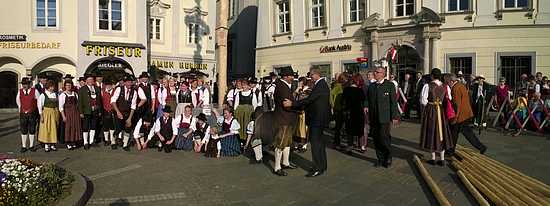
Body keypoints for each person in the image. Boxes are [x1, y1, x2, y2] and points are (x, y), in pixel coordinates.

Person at [283, 66, 331, 177]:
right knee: (319, 144)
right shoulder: (321, 85)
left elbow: (310, 100)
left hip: (317, 119)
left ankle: (317, 167)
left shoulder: (320, 85)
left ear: (315, 74)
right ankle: (322, 165)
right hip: (318, 118)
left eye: (310, 75)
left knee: (316, 144)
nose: (310, 77)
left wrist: (292, 104)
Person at [365, 67, 400, 168]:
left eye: (377, 72)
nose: (375, 73)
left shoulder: (389, 85)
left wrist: (394, 116)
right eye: (375, 72)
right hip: (374, 116)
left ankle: (388, 157)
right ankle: (380, 159)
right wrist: (366, 106)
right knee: (376, 138)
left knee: (384, 137)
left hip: (384, 117)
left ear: (383, 74)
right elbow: (367, 99)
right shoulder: (371, 86)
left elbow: (393, 102)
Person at [420, 68, 454, 166]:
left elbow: (423, 100)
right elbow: (449, 98)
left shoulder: (427, 86)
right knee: (441, 132)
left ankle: (433, 158)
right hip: (441, 111)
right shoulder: (445, 86)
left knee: (432, 132)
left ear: (432, 76)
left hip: (431, 110)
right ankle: (442, 159)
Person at [447, 74, 487, 156]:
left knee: (462, 133)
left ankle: (481, 147)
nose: (447, 84)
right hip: (465, 113)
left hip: (461, 116)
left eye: (447, 82)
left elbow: (456, 105)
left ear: (451, 81)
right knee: (456, 133)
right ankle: (451, 150)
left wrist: (455, 118)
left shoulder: (455, 88)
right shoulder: (460, 85)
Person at [272, 66, 298, 176]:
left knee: (287, 142)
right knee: (281, 143)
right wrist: (298, 107)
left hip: (287, 118)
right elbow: (286, 105)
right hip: (283, 118)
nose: (293, 77)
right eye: (291, 76)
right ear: (286, 76)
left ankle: (286, 162)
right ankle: (277, 167)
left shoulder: (284, 85)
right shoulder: (282, 87)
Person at [111, 76, 140, 151]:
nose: (129, 83)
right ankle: (113, 142)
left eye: (130, 82)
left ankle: (125, 144)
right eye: (128, 82)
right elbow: (113, 101)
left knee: (128, 128)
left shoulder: (134, 92)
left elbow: (133, 106)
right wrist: (118, 112)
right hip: (118, 111)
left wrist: (130, 118)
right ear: (124, 82)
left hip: (128, 113)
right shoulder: (119, 89)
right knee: (118, 129)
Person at [78, 74, 103, 150]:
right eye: (89, 80)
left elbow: (99, 100)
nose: (90, 81)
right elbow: (80, 102)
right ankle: (85, 142)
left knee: (93, 126)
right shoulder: (82, 89)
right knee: (85, 127)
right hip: (86, 111)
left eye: (92, 80)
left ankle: (91, 141)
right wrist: (81, 112)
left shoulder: (97, 88)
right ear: (86, 81)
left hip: (95, 110)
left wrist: (99, 110)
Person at [342, 74, 366, 153]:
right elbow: (363, 100)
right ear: (358, 81)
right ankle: (362, 146)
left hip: (349, 112)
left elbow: (342, 101)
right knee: (360, 130)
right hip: (358, 112)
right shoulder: (360, 90)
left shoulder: (346, 90)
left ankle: (350, 146)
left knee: (350, 130)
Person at [16, 77, 40, 152]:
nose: (24, 86)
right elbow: (18, 101)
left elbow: (39, 102)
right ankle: (23, 146)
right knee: (23, 129)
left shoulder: (35, 91)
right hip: (23, 113)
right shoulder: (20, 91)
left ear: (29, 84)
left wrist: (38, 111)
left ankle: (31, 146)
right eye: (23, 84)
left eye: (26, 84)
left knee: (32, 129)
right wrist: (21, 108)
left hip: (32, 113)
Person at [233, 79, 259, 143]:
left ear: (248, 86)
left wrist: (254, 114)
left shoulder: (252, 94)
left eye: (245, 85)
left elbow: (254, 105)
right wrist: (235, 113)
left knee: (247, 126)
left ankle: (247, 141)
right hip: (240, 114)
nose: (243, 86)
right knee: (240, 126)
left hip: (248, 114)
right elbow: (236, 105)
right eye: (242, 85)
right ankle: (240, 140)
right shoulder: (238, 94)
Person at [38, 80, 60, 152]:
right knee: (47, 128)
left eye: (53, 87)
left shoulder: (56, 94)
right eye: (50, 87)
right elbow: (39, 106)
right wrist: (41, 115)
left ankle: (53, 144)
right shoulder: (43, 95)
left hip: (54, 112)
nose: (52, 88)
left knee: (54, 128)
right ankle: (46, 144)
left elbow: (58, 104)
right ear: (47, 87)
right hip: (47, 113)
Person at [59, 80, 81, 150]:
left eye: (70, 85)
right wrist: (63, 116)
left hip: (75, 112)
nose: (69, 87)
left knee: (75, 127)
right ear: (65, 86)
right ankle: (68, 142)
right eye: (67, 85)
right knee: (68, 128)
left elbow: (78, 104)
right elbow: (61, 107)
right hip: (67, 112)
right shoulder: (63, 95)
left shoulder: (75, 94)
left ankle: (73, 141)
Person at [330, 73, 348, 149]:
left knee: (340, 127)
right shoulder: (338, 86)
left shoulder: (343, 86)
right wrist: (333, 105)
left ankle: (338, 142)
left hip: (342, 109)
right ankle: (336, 143)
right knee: (338, 127)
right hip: (338, 110)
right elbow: (330, 95)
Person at [101, 80, 117, 148]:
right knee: (105, 126)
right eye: (107, 85)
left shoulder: (115, 91)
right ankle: (107, 140)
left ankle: (113, 140)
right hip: (105, 110)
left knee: (112, 126)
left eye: (110, 85)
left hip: (113, 110)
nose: (108, 86)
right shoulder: (102, 91)